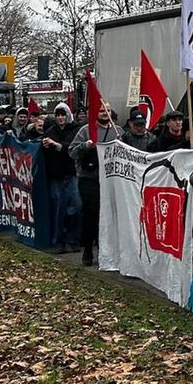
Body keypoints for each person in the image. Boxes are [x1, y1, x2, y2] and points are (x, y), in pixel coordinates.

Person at [71, 102, 118, 267]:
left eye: (108, 109)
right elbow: (72, 151)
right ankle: (88, 250)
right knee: (91, 215)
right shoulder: (85, 131)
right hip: (90, 180)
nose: (105, 113)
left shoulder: (118, 132)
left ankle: (107, 251)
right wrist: (86, 145)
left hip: (111, 180)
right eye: (101, 110)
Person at [42, 103, 82, 252]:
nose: (60, 118)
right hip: (56, 175)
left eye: (63, 115)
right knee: (59, 208)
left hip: (72, 173)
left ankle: (73, 239)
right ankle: (58, 241)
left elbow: (73, 147)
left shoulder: (76, 130)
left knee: (76, 206)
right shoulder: (50, 131)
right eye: (58, 115)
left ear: (68, 115)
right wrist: (44, 146)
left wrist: (57, 145)